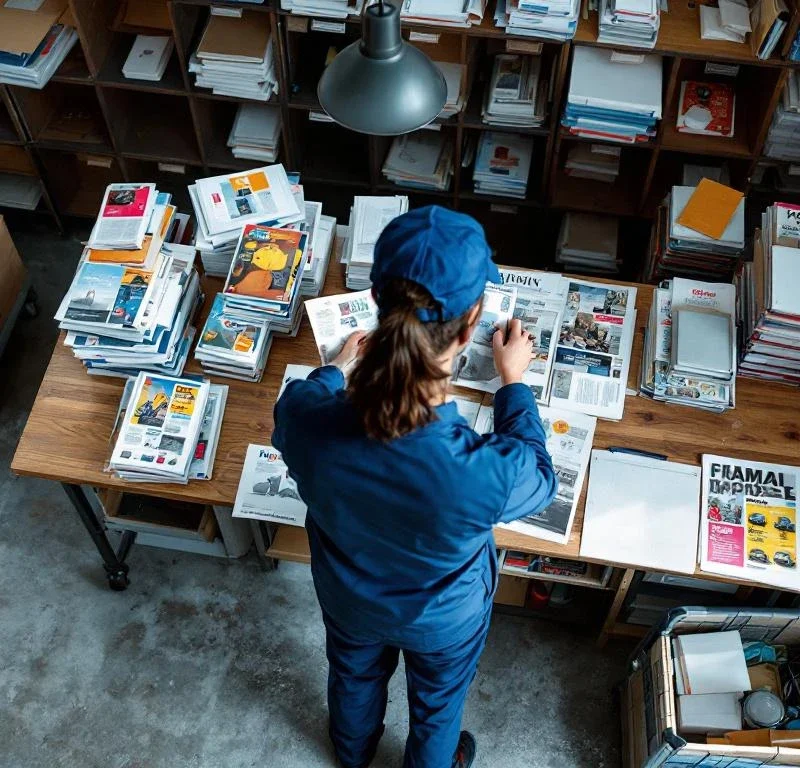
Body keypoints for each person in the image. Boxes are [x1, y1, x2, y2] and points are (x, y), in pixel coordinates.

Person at [273, 205, 558, 768]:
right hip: (442, 617)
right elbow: (541, 479)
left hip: (349, 598)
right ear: (472, 323)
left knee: (352, 677)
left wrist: (333, 370)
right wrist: (513, 382)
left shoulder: (307, 418)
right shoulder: (483, 471)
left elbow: (297, 409)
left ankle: (351, 755)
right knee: (437, 707)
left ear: (377, 302)